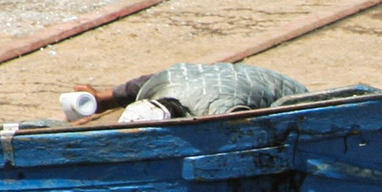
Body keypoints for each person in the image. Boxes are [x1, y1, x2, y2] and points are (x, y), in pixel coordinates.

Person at [59, 62, 307, 123]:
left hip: (286, 90)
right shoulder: (163, 85)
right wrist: (102, 99)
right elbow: (142, 85)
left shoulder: (217, 107)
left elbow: (245, 128)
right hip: (229, 77)